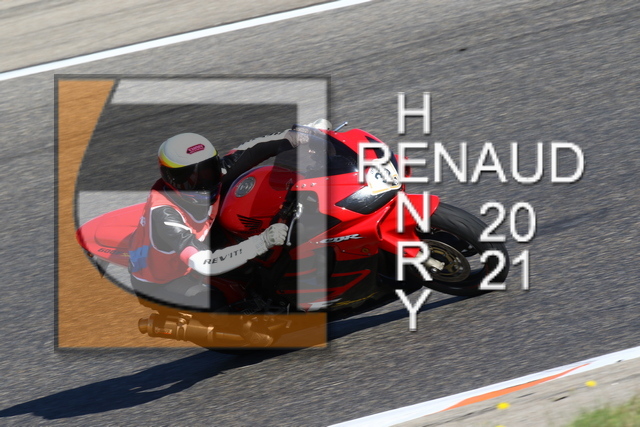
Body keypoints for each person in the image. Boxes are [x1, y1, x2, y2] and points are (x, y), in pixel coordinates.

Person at [128, 127, 311, 310]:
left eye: (207, 171)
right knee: (218, 305)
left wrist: (297, 136)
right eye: (187, 177)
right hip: (166, 280)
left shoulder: (216, 175)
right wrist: (261, 242)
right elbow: (203, 263)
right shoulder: (165, 215)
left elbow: (252, 150)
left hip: (203, 239)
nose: (202, 182)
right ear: (169, 177)